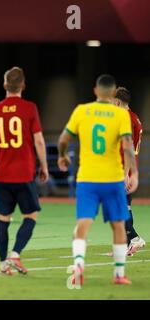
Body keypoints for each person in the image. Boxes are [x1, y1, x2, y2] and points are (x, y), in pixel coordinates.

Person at [58, 75, 138, 286]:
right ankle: (119, 274)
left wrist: (62, 155)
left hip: (88, 179)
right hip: (112, 178)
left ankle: (78, 268)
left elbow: (63, 139)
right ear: (113, 94)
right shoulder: (121, 115)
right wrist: (133, 174)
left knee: (83, 224)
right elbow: (128, 147)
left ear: (95, 91)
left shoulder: (81, 111)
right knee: (119, 226)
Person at [0, 67, 49, 275]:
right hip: (23, 173)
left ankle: (3, 263)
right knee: (31, 215)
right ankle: (15, 254)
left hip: (1, 173)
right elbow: (38, 139)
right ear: (23, 86)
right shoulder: (29, 108)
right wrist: (44, 165)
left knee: (3, 218)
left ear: (4, 86)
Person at [114, 87, 145, 255]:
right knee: (124, 205)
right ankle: (127, 245)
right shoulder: (135, 117)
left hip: (125, 168)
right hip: (130, 167)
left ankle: (134, 239)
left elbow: (128, 148)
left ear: (117, 101)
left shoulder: (125, 118)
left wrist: (125, 174)